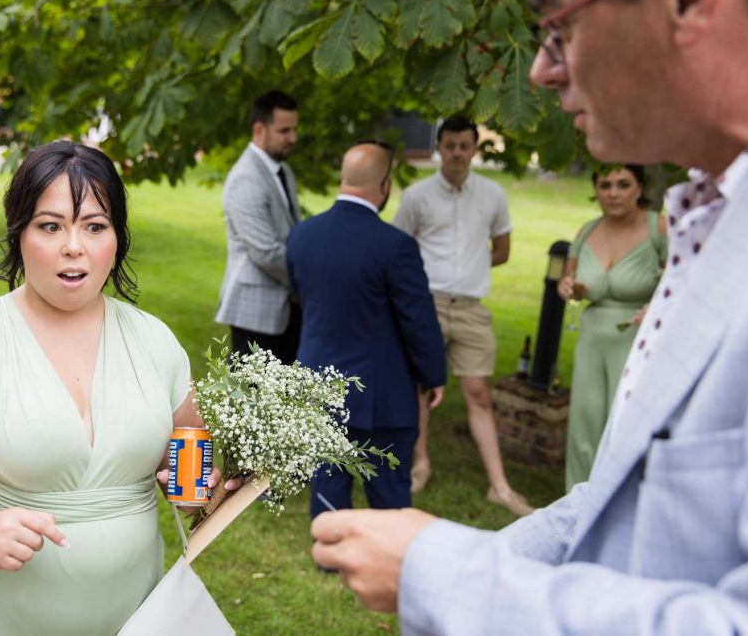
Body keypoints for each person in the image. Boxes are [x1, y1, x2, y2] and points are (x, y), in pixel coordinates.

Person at [312, 0, 748, 632]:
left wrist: (442, 571)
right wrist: (453, 558)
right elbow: (613, 505)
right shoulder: (710, 217)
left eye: (559, 27)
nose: (540, 71)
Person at [0, 141, 233, 635]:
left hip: (131, 616)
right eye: (50, 225)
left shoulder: (156, 342)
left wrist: (197, 492)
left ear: (117, 238)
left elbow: (187, 461)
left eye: (94, 226)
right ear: (19, 233)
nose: (73, 246)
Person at [286, 142, 447, 519]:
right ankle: (385, 552)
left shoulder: (301, 236)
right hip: (382, 394)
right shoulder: (396, 247)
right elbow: (418, 321)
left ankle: (328, 551)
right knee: (389, 491)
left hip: (318, 383)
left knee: (326, 482)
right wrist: (433, 375)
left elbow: (300, 297)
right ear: (385, 185)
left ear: (344, 179)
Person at [392, 115, 532, 516]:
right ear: (439, 148)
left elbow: (502, 250)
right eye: (449, 145)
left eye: (464, 146)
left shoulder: (492, 194)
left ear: (474, 148)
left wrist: (471, 267)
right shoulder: (417, 195)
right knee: (420, 390)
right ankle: (420, 465)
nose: (456, 153)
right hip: (427, 306)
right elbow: (399, 250)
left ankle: (499, 487)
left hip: (471, 310)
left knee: (479, 393)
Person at [558, 165, 667, 490]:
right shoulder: (587, 231)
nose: (613, 193)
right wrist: (566, 287)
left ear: (639, 188)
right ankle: (577, 502)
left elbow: (683, 280)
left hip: (638, 339)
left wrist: (657, 306)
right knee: (585, 422)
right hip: (592, 336)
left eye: (623, 184)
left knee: (624, 424)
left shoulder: (658, 228)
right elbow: (569, 279)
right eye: (605, 185)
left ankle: (623, 501)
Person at [214, 89, 302, 364]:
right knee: (254, 402)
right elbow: (266, 253)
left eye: (294, 130)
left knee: (286, 400)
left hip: (286, 308)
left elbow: (292, 234)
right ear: (259, 129)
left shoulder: (282, 171)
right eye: (284, 131)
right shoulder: (246, 179)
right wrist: (313, 283)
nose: (293, 138)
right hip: (255, 312)